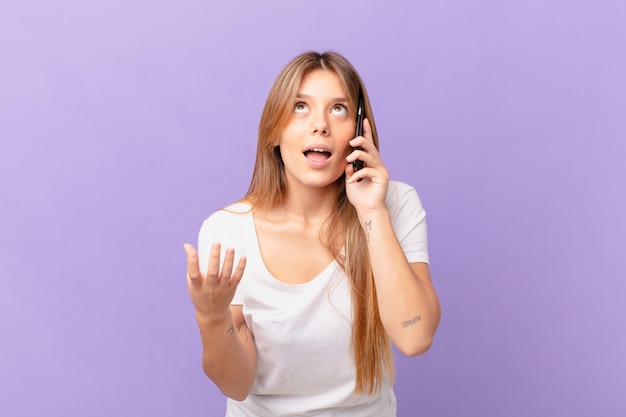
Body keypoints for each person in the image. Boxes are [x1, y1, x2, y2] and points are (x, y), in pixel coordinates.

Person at [184, 51, 441, 417]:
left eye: (338, 109)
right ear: (274, 130)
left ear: (358, 131)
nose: (320, 125)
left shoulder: (394, 204)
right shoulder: (228, 229)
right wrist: (211, 318)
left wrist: (372, 212)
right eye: (300, 107)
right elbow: (237, 385)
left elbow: (415, 337)